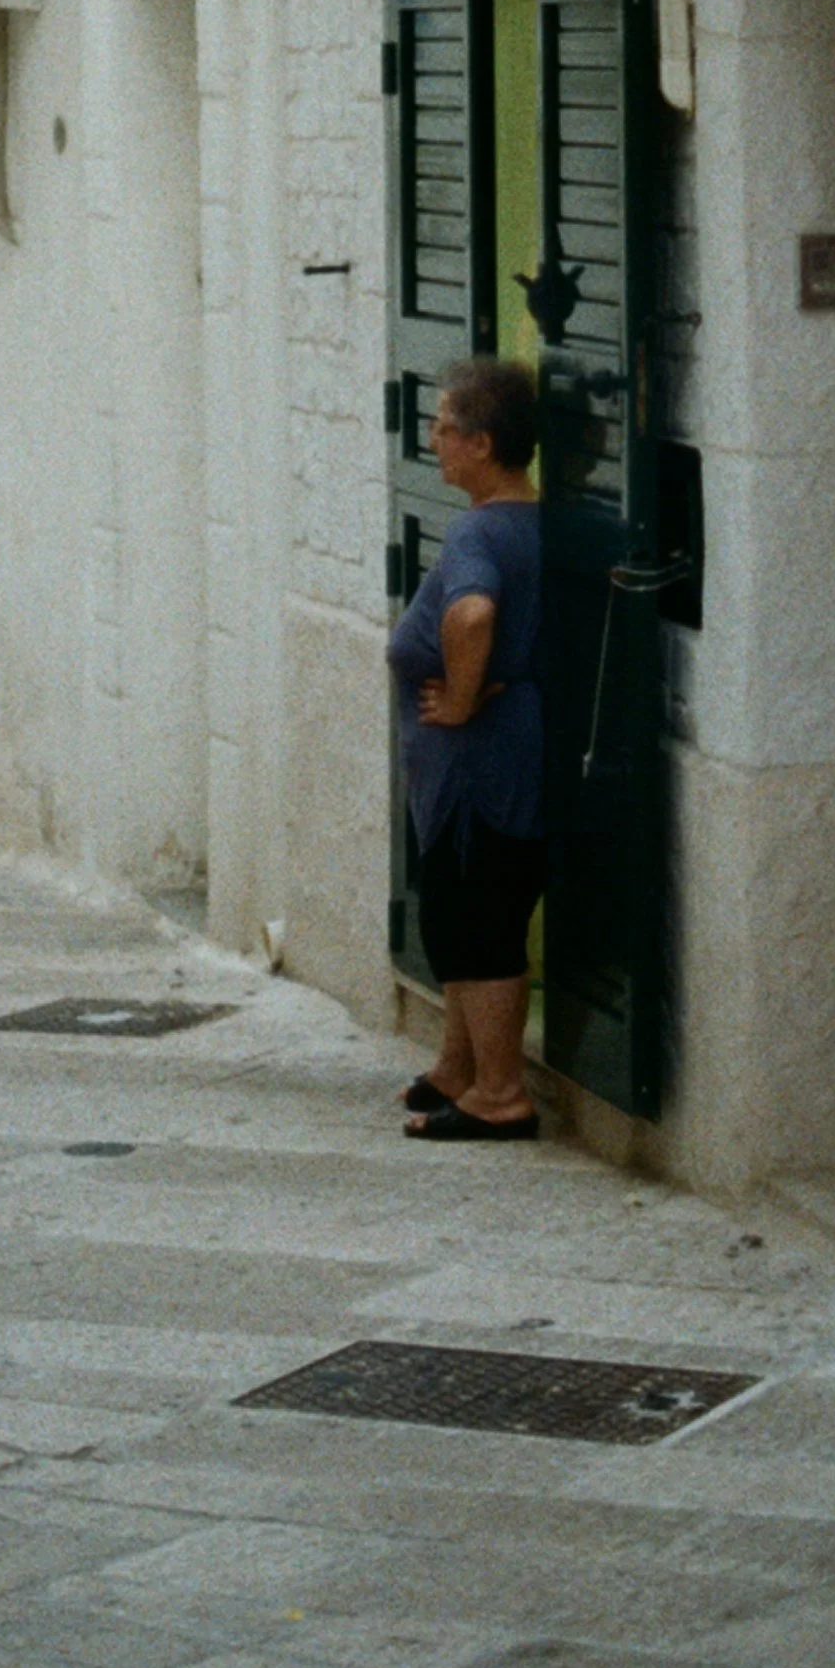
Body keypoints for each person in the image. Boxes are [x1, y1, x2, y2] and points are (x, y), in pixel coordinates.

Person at [385, 355, 547, 1141]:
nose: (434, 439)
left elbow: (473, 615)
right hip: (491, 763)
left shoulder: (480, 529)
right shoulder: (527, 521)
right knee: (459, 911)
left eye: (444, 427)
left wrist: (456, 693)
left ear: (482, 444)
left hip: (479, 774)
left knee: (478, 923)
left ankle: (501, 1093)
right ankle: (459, 1067)